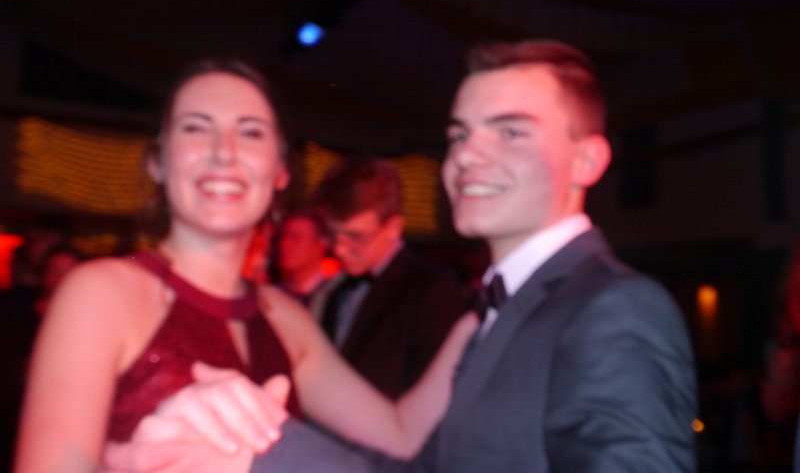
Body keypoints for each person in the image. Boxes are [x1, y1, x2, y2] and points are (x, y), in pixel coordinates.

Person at [103, 39, 698, 472]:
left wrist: (265, 452)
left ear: (588, 161)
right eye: (460, 135)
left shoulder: (615, 307)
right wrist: (259, 446)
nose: (468, 156)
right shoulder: (496, 313)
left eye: (510, 131)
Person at [14, 60, 478, 473]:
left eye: (251, 132)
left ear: (280, 171)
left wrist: (479, 318)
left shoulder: (285, 318)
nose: (224, 151)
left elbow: (399, 433)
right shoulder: (101, 293)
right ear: (158, 160)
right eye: (196, 128)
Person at [311, 156, 467, 398]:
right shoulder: (336, 290)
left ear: (393, 228)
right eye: (333, 234)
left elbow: (435, 392)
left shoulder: (432, 290)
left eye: (355, 236)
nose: (339, 250)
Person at [274, 209, 331, 304]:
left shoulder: (331, 300)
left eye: (296, 238)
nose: (284, 244)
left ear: (320, 245)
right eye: (283, 237)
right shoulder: (273, 295)